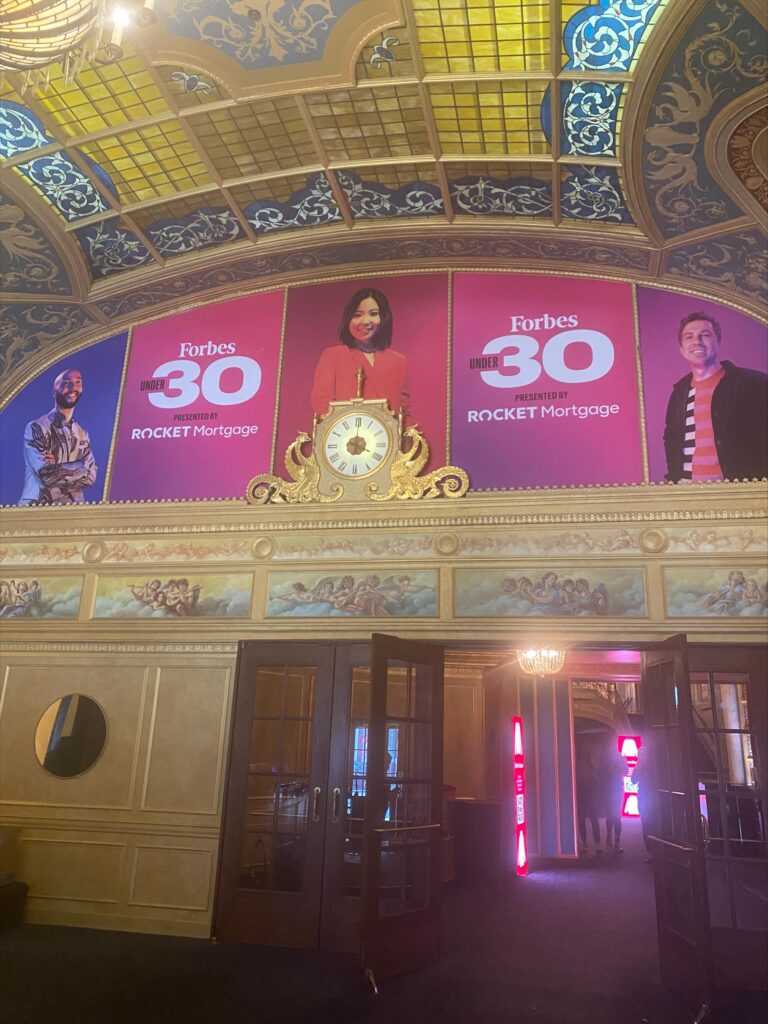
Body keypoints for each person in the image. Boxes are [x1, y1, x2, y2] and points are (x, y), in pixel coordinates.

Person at [663, 312, 768, 483]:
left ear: (718, 343)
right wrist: (675, 479)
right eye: (689, 337)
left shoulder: (753, 384)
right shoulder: (679, 393)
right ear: (681, 349)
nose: (697, 341)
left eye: (705, 335)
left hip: (737, 494)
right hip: (688, 492)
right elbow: (670, 438)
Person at [310, 288, 408, 419]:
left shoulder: (399, 361)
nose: (365, 321)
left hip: (390, 436)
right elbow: (322, 404)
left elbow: (406, 410)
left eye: (373, 314)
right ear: (348, 320)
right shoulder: (333, 356)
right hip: (345, 435)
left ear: (384, 317)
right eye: (357, 315)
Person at [19, 368, 97, 504]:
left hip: (73, 511)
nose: (73, 387)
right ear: (54, 391)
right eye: (66, 383)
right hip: (38, 511)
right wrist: (81, 467)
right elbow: (46, 477)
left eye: (78, 382)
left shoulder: (82, 433)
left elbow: (91, 477)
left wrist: (58, 466)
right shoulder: (37, 427)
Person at [576, 746, 602, 856]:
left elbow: (596, 781)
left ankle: (593, 844)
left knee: (592, 819)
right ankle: (587, 843)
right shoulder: (581, 765)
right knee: (585, 819)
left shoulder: (585, 766)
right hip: (584, 795)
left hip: (588, 795)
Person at [602, 743, 626, 853]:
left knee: (615, 815)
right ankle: (612, 838)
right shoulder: (609, 759)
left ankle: (615, 839)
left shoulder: (615, 759)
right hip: (611, 790)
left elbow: (625, 772)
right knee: (612, 815)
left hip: (614, 790)